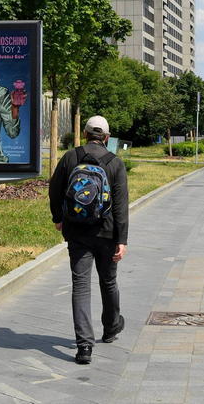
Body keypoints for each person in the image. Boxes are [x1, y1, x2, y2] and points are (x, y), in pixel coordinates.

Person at [49, 115, 128, 365]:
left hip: (77, 231)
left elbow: (55, 188)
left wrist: (58, 218)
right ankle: (112, 327)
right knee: (109, 280)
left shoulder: (70, 157)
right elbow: (121, 206)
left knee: (81, 285)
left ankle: (84, 347)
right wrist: (122, 239)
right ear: (106, 137)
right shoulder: (115, 163)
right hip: (106, 233)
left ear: (84, 134)